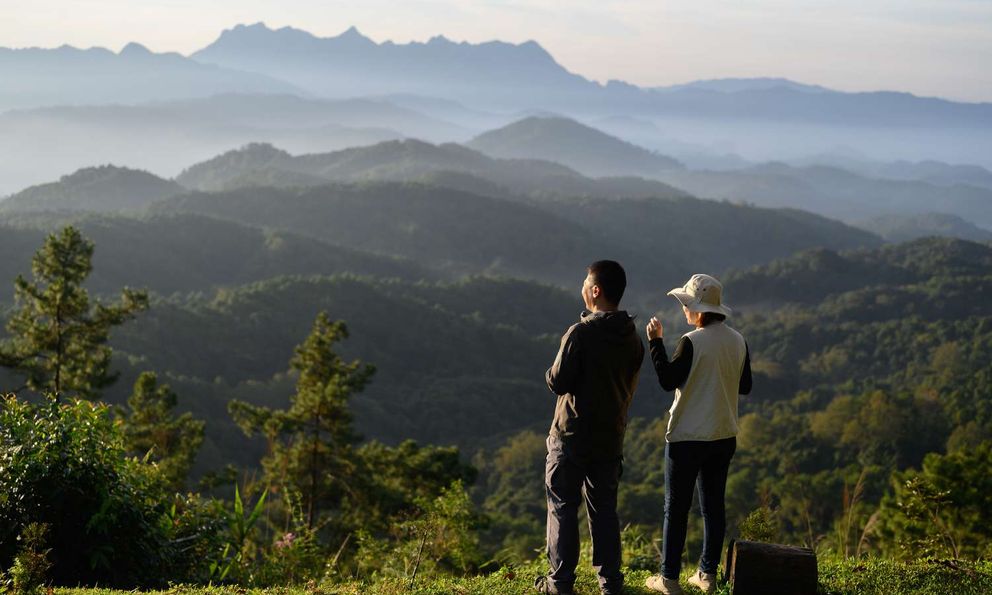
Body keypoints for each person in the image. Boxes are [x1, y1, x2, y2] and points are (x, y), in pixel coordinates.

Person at [536, 260, 645, 595]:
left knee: (563, 507)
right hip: (609, 438)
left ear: (595, 291)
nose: (582, 287)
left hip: (571, 437)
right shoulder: (632, 338)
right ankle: (610, 583)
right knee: (604, 512)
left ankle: (560, 584)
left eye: (585, 282)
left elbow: (558, 381)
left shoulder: (580, 333)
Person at [643, 274, 752, 595]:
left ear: (697, 309)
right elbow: (744, 386)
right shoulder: (738, 340)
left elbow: (667, 379)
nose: (684, 311)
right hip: (723, 433)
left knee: (676, 508)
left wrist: (655, 342)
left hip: (688, 436)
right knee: (713, 507)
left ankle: (669, 579)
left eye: (686, 305)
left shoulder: (691, 341)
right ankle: (706, 574)